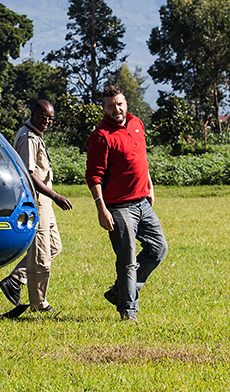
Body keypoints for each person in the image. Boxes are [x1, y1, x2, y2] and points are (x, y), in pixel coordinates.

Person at [85, 85, 167, 321]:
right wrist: (101, 209)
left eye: (119, 103)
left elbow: (141, 156)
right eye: (110, 105)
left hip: (143, 202)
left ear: (126, 103)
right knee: (127, 260)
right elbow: (94, 176)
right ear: (104, 108)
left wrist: (149, 184)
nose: (116, 109)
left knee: (158, 248)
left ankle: (121, 291)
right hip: (119, 207)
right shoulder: (101, 136)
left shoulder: (137, 124)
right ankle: (128, 311)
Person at [0, 99, 72, 312]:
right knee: (40, 255)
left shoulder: (36, 134)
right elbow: (28, 175)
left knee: (54, 246)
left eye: (50, 119)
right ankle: (39, 304)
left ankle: (16, 278)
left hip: (45, 203)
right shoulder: (29, 138)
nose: (47, 122)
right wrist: (55, 195)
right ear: (32, 114)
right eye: (43, 117)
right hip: (37, 201)